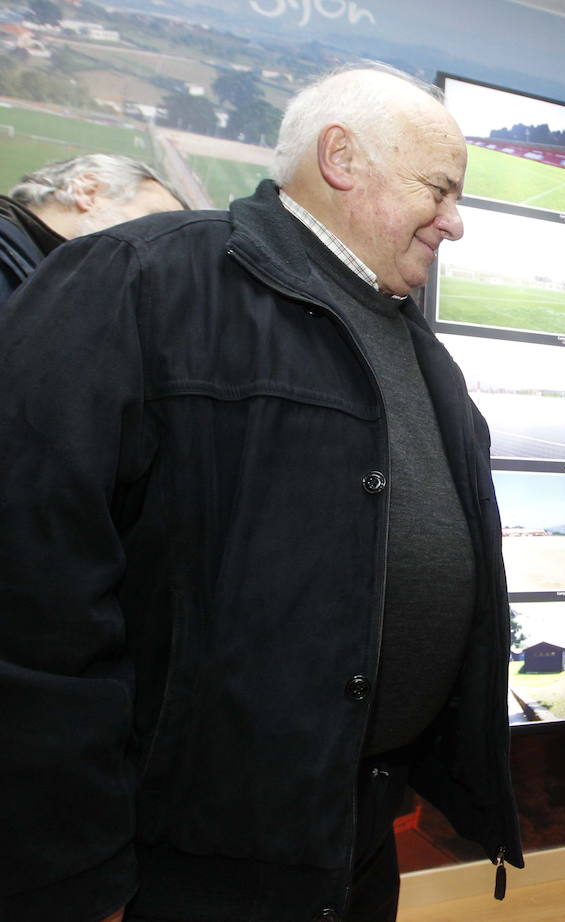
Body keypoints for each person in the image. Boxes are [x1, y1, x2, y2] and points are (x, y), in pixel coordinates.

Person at [0, 64, 523, 922]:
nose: (455, 223)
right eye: (440, 189)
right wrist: (72, 872)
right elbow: (31, 589)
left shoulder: (421, 351)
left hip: (355, 828)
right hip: (183, 855)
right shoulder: (141, 282)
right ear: (342, 157)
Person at [0, 154, 185, 304]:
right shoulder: (14, 271)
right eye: (155, 220)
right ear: (87, 191)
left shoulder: (43, 276)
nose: (161, 245)